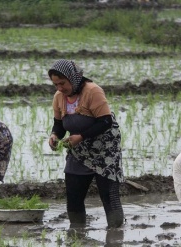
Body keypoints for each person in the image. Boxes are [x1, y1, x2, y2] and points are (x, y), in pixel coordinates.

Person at [47, 59, 124, 228]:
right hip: (79, 152)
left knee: (109, 196)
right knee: (73, 197)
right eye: (55, 84)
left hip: (105, 153)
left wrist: (81, 136)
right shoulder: (59, 97)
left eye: (62, 83)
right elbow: (59, 124)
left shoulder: (92, 91)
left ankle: (116, 235)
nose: (60, 88)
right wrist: (54, 136)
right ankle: (77, 234)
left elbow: (105, 121)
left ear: (73, 78)